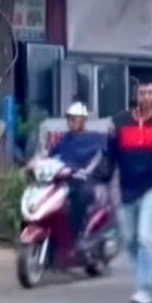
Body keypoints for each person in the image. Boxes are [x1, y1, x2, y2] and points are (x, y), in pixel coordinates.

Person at [107, 81, 152, 303]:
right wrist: (103, 179)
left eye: (150, 92)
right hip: (128, 188)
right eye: (141, 92)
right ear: (135, 95)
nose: (145, 96)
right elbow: (110, 157)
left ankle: (144, 288)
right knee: (130, 240)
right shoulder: (119, 122)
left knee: (146, 238)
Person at [48, 102, 108, 246]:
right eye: (69, 119)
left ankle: (77, 237)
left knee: (78, 199)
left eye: (74, 118)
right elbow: (51, 155)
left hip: (87, 180)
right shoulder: (64, 139)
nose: (71, 122)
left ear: (82, 120)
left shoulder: (95, 138)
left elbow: (101, 156)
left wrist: (87, 170)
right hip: (65, 180)